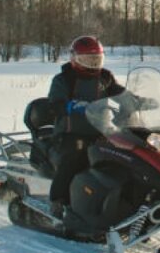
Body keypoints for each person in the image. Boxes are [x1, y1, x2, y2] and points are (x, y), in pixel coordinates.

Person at [44, 35, 125, 213]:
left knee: (126, 155)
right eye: (88, 60)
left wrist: (140, 101)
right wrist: (71, 105)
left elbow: (121, 95)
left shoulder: (105, 78)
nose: (93, 64)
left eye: (96, 60)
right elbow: (55, 104)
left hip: (101, 132)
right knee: (75, 155)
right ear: (75, 59)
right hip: (70, 134)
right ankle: (58, 200)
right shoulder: (64, 79)